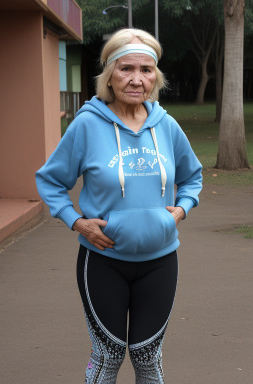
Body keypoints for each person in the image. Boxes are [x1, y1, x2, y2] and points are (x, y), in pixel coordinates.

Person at [36, 28, 202, 384]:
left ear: (156, 77)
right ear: (109, 74)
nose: (136, 79)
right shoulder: (87, 125)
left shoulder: (167, 126)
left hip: (160, 261)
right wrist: (77, 222)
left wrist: (181, 208)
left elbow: (192, 177)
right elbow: (50, 180)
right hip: (103, 261)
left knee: (147, 357)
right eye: (126, 68)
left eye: (146, 70)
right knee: (108, 355)